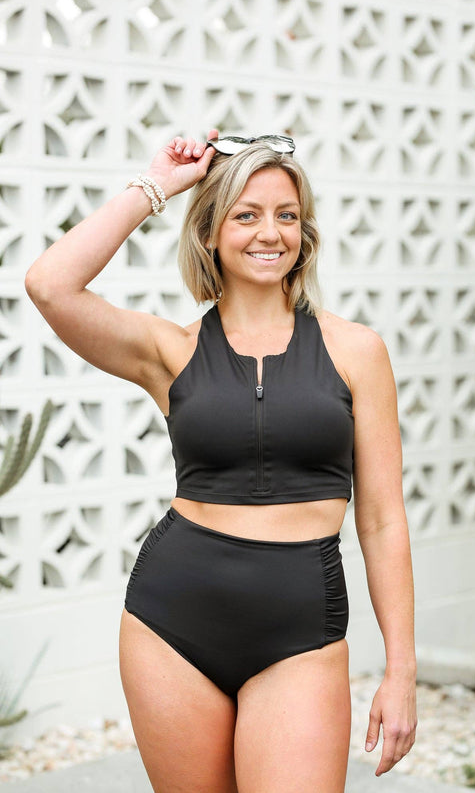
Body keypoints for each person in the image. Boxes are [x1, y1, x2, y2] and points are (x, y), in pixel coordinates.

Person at [25, 128, 417, 793]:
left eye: (286, 215)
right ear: (209, 231)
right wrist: (158, 184)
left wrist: (400, 670)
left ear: (304, 232)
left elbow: (382, 520)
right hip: (171, 623)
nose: (270, 233)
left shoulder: (356, 351)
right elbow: (49, 285)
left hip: (301, 630)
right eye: (246, 215)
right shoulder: (169, 350)